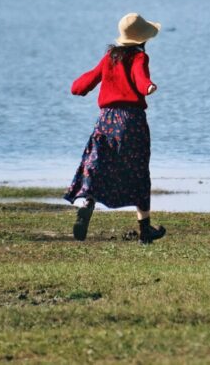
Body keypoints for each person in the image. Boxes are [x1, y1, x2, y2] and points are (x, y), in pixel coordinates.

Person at [64, 13, 167, 244]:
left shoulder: (109, 57)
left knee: (98, 163)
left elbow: (84, 83)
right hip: (131, 121)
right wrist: (148, 87)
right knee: (139, 172)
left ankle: (87, 201)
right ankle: (145, 231)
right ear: (143, 40)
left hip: (106, 120)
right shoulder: (140, 58)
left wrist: (76, 87)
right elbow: (141, 79)